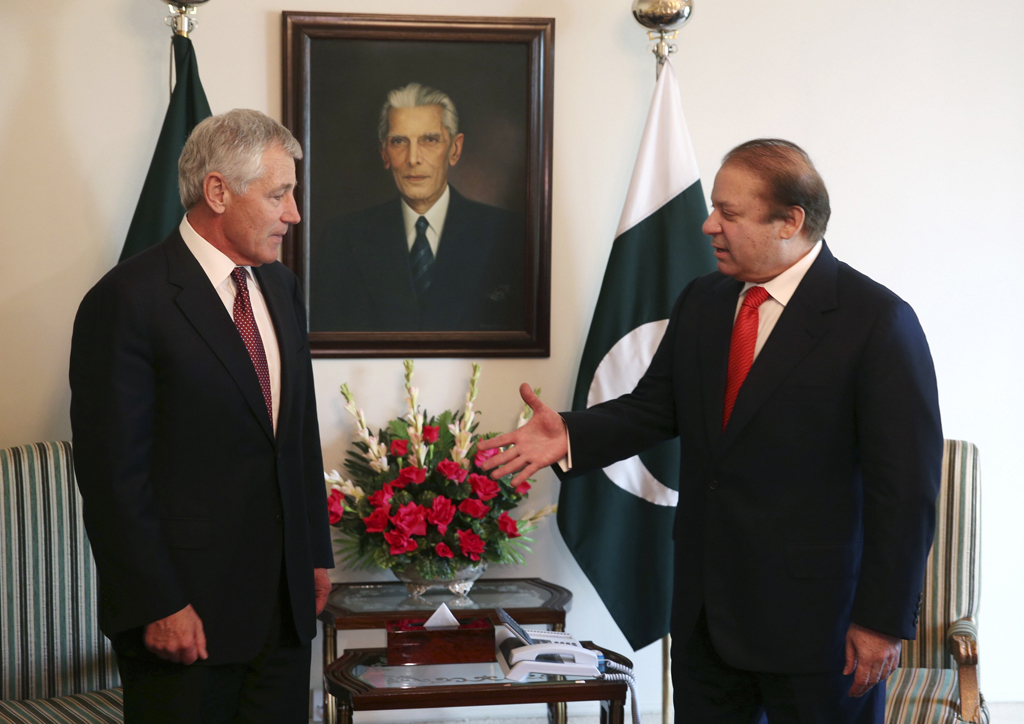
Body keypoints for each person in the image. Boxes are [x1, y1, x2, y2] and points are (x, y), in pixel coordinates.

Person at [479, 139, 942, 723]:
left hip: (816, 627)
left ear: (789, 222)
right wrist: (569, 435)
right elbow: (654, 409)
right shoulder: (704, 299)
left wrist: (880, 621)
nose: (707, 224)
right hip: (705, 621)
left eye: (729, 212)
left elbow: (904, 492)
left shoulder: (876, 321)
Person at [70, 109, 334, 723]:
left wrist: (315, 554)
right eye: (279, 194)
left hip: (285, 612)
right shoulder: (127, 300)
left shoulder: (282, 288)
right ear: (218, 191)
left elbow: (296, 437)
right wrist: (157, 602)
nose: (293, 213)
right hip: (185, 618)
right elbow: (113, 478)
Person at [310, 82, 524, 333]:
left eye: (430, 140)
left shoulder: (508, 233)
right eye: (399, 141)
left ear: (454, 149)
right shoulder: (343, 238)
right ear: (384, 153)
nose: (413, 158)